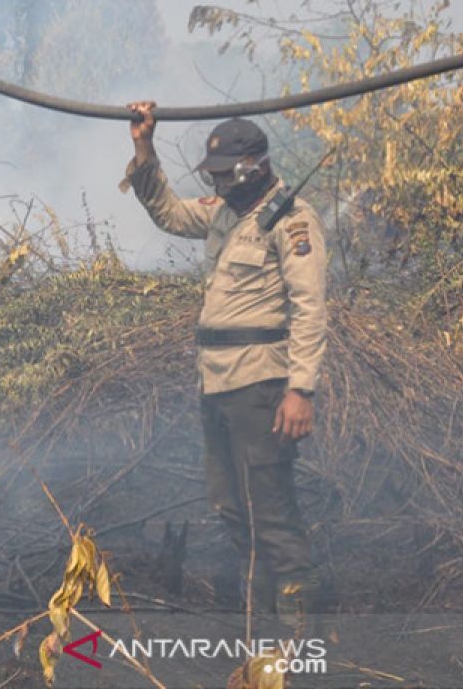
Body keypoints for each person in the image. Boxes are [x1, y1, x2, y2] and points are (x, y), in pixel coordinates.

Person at [121, 101, 327, 634]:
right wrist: (144, 145)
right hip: (216, 383)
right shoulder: (225, 212)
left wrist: (300, 389)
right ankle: (260, 627)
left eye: (223, 173)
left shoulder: (292, 220)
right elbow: (166, 211)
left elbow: (309, 309)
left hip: (262, 384)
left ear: (252, 167)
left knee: (271, 510)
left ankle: (304, 640)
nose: (216, 182)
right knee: (230, 506)